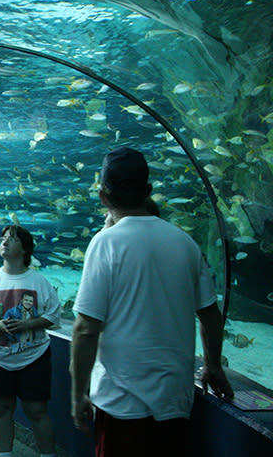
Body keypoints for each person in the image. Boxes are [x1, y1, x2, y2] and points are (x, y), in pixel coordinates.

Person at [70, 147, 234, 457]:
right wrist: (212, 365)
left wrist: (79, 394)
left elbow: (86, 328)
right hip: (175, 399)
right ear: (148, 191)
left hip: (120, 402)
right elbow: (210, 315)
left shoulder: (105, 243)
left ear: (103, 197)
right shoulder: (185, 242)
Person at [0, 224, 61, 457]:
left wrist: (28, 324)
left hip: (34, 356)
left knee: (37, 410)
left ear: (25, 249)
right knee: (0, 408)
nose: (4, 242)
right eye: (2, 239)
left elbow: (53, 315)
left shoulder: (39, 282)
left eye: (12, 239)